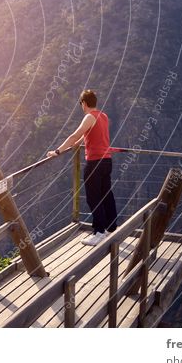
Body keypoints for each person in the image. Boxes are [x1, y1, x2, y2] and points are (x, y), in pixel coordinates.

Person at [47, 89, 117, 246]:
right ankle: (111, 227)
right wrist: (79, 143)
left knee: (93, 197)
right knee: (106, 194)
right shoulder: (103, 116)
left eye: (80, 103)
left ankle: (99, 232)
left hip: (95, 163)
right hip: (106, 161)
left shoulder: (89, 117)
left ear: (84, 103)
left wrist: (57, 151)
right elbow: (93, 135)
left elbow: (74, 135)